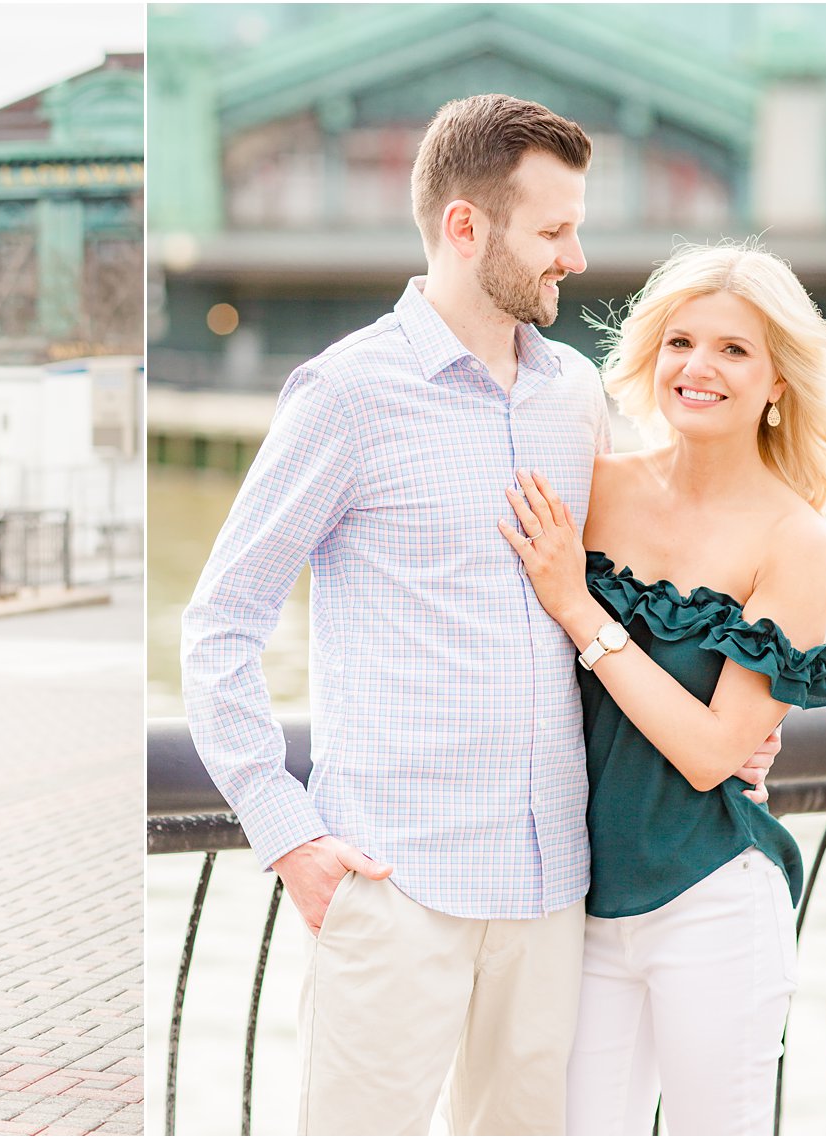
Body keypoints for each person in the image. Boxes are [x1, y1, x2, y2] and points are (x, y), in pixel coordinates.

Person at [180, 94, 774, 1136]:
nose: (574, 256)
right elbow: (220, 621)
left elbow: (631, 592)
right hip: (393, 882)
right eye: (550, 231)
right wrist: (286, 835)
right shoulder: (345, 394)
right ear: (465, 227)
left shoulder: (572, 395)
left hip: (553, 897)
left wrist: (733, 719)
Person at [498, 244, 826, 1135]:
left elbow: (709, 755)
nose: (699, 367)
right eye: (681, 341)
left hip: (712, 897)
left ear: (778, 381)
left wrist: (582, 611)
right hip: (574, 900)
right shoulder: (592, 487)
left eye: (735, 350)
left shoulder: (795, 541)